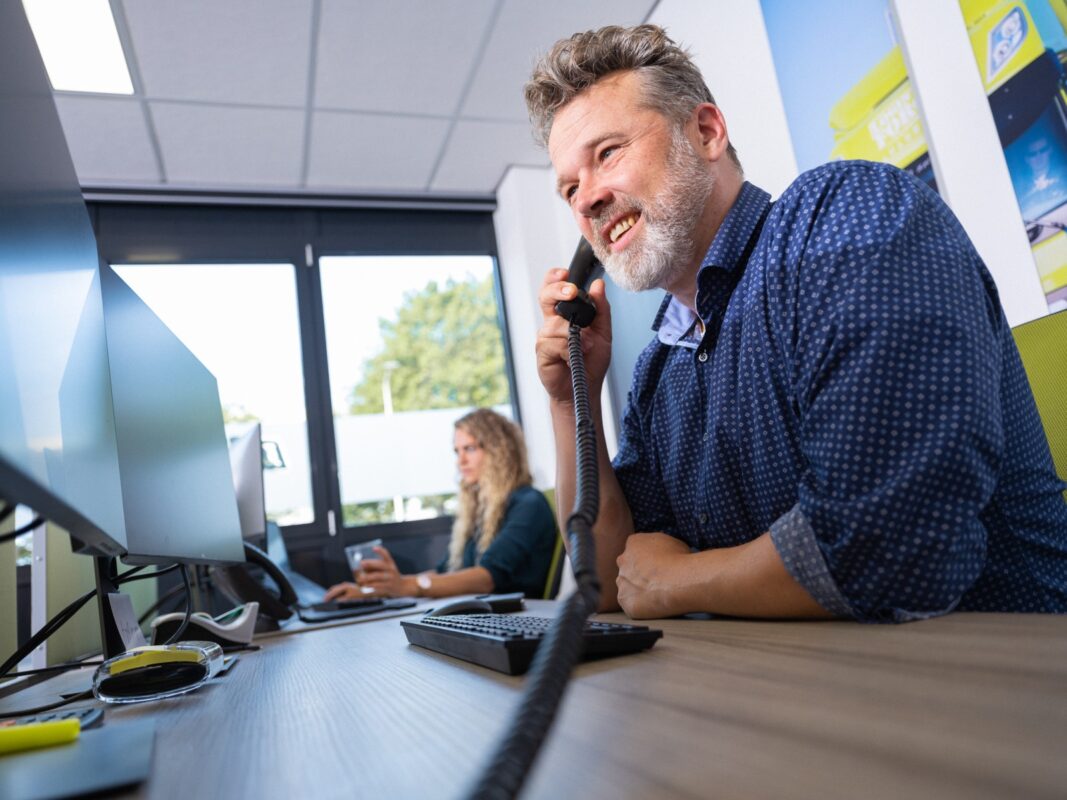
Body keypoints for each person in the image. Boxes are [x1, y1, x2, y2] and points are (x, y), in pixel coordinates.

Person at [527, 24, 1067, 622]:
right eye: (569, 189)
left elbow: (889, 549)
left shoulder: (844, 217)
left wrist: (681, 580)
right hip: (797, 672)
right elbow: (611, 581)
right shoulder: (659, 370)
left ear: (705, 133)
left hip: (998, 663)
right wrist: (570, 398)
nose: (586, 200)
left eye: (607, 153)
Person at [324, 408, 558, 601]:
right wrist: (379, 590)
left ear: (500, 451)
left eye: (470, 449)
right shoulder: (481, 511)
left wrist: (406, 585)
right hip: (483, 616)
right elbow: (443, 572)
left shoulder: (529, 503)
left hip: (517, 620)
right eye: (457, 451)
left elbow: (487, 578)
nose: (460, 461)